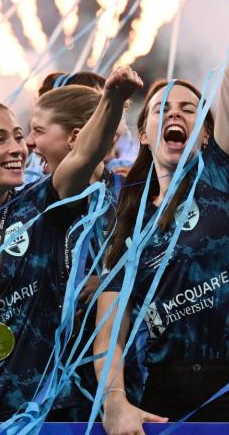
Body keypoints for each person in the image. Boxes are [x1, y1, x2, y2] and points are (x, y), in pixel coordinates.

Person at [94, 0, 229, 434]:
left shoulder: (225, 175)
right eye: (161, 108)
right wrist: (115, 399)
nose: (175, 112)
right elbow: (111, 319)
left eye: (189, 108)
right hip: (165, 387)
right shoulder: (126, 216)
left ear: (207, 133)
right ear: (145, 135)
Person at [0, 67, 141, 421]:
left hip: (43, 412)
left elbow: (82, 157)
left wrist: (112, 99)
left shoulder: (40, 206)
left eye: (19, 136)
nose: (18, 147)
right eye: (0, 139)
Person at [25, 84, 136, 417]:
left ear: (74, 137)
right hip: (46, 384)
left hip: (126, 376)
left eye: (38, 131)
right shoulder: (36, 199)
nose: (28, 142)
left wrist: (105, 281)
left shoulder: (134, 196)